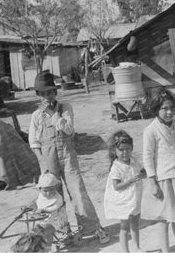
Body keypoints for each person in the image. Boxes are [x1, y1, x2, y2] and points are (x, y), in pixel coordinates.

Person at [28, 72, 109, 244]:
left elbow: (69, 130)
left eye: (50, 92)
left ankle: (93, 228)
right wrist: (41, 160)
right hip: (48, 158)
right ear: (38, 95)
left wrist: (53, 114)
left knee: (78, 191)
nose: (47, 97)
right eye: (43, 94)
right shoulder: (36, 116)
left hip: (67, 154)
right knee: (54, 195)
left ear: (55, 92)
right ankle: (61, 233)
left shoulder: (65, 108)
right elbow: (33, 141)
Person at [141, 89, 175, 253]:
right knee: (163, 217)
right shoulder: (151, 130)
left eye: (172, 108)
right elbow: (147, 157)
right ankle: (165, 251)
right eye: (165, 109)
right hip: (163, 178)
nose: (169, 112)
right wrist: (152, 181)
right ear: (156, 109)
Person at [104, 130, 146, 252]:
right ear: (114, 150)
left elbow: (142, 170)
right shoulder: (116, 167)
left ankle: (137, 248)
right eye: (121, 150)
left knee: (135, 224)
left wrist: (143, 174)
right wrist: (131, 180)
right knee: (124, 227)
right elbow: (116, 186)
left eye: (128, 149)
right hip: (123, 200)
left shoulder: (134, 160)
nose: (125, 152)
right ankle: (125, 252)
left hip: (135, 197)